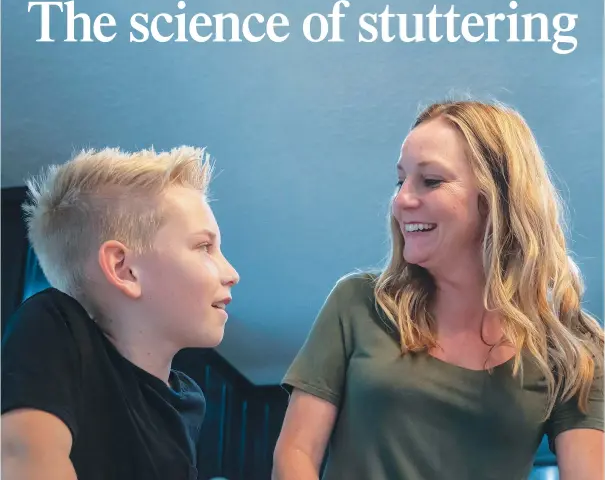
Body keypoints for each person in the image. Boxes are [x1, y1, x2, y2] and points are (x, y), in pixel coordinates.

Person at [272, 100, 604, 480]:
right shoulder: (358, 303)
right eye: (401, 180)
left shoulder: (570, 351)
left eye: (430, 181)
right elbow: (295, 453)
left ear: (496, 197)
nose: (401, 199)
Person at [1, 146, 240, 480]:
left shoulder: (187, 400)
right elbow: (27, 459)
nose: (231, 272)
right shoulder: (54, 325)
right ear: (125, 269)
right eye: (204, 247)